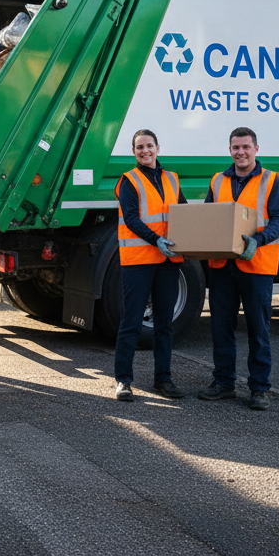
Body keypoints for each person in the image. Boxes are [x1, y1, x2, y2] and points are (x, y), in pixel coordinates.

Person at [196, 127, 279, 410]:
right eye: (236, 147)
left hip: (256, 264)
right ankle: (223, 382)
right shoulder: (217, 180)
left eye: (246, 147)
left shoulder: (271, 180)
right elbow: (209, 218)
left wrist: (258, 240)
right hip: (222, 266)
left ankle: (259, 388)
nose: (241, 152)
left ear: (256, 149)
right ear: (230, 150)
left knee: (258, 329)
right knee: (221, 326)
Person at [113, 129, 189, 401]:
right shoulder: (128, 181)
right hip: (139, 262)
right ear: (134, 152)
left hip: (168, 262)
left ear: (158, 147)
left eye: (149, 146)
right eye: (139, 147)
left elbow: (183, 214)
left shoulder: (172, 179)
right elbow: (131, 219)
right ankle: (123, 380)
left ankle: (163, 379)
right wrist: (156, 239)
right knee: (131, 322)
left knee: (164, 325)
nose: (144, 151)